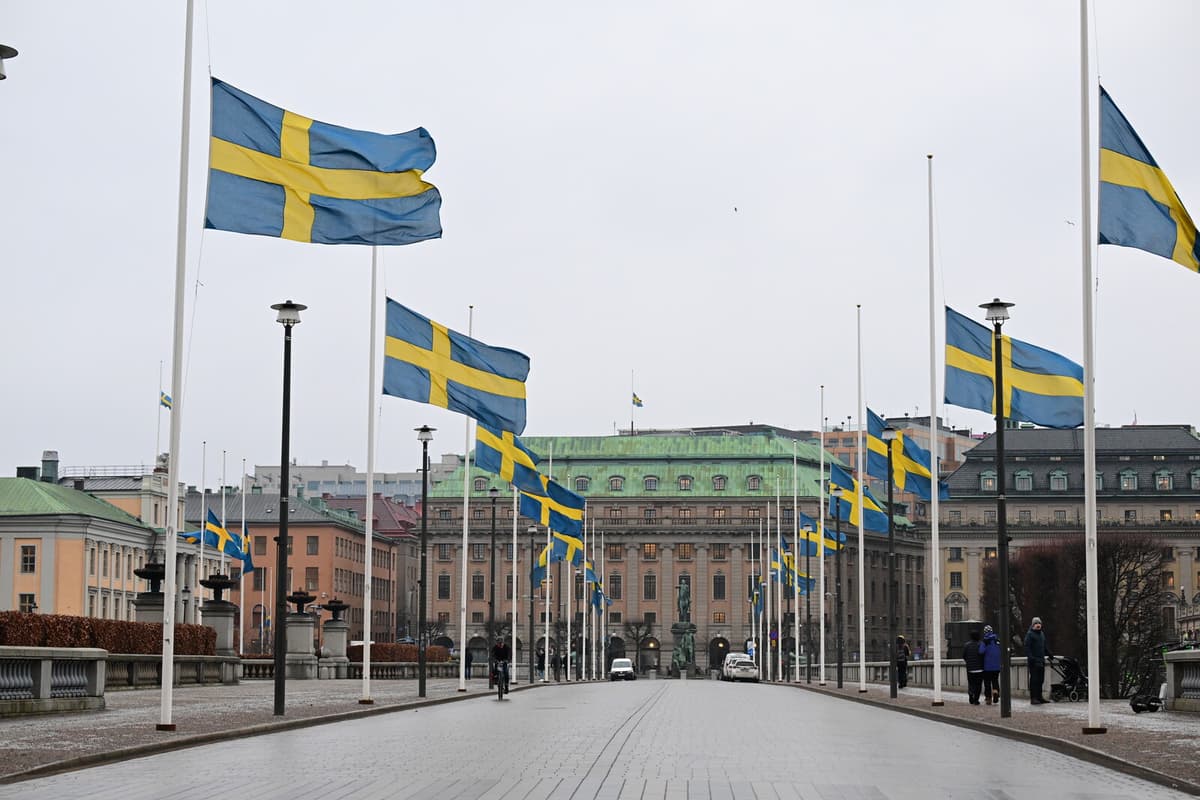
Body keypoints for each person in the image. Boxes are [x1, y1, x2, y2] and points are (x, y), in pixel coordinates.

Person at [1024, 616, 1050, 704]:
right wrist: (1031, 657)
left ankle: (1039, 697)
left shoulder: (1042, 634)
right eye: (1036, 623)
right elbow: (1027, 647)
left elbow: (1044, 646)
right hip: (1034, 661)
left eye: (1039, 623)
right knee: (1034, 680)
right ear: (1033, 625)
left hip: (1041, 661)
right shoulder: (1030, 634)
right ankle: (1033, 698)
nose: (1038, 625)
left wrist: (1049, 653)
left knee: (1040, 680)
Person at [981, 625, 1001, 705]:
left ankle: (988, 698)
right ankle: (995, 692)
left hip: (987, 666)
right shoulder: (997, 640)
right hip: (997, 666)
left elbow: (981, 651)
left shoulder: (985, 641)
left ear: (985, 632)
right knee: (995, 680)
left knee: (987, 683)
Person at [963, 629, 984, 705]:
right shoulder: (981, 644)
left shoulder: (967, 645)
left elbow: (964, 656)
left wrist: (969, 662)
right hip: (980, 668)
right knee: (978, 685)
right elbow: (983, 655)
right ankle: (976, 699)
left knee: (971, 683)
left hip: (970, 668)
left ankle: (971, 693)